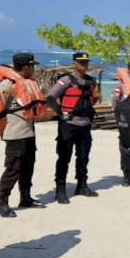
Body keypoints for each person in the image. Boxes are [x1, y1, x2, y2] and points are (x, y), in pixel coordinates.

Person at [0, 53, 46, 218]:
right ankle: (2, 203)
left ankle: (25, 197)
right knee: (13, 168)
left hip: (29, 132)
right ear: (25, 67)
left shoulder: (28, 83)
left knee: (28, 166)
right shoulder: (7, 85)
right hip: (15, 134)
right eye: (32, 66)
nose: (33, 69)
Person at [46, 52, 100, 203]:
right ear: (74, 63)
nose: (84, 65)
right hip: (68, 125)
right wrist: (60, 113)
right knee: (64, 157)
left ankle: (82, 185)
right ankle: (60, 190)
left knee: (83, 157)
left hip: (85, 125)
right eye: (81, 62)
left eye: (86, 62)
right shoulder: (65, 80)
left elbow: (92, 99)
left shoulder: (91, 82)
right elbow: (50, 97)